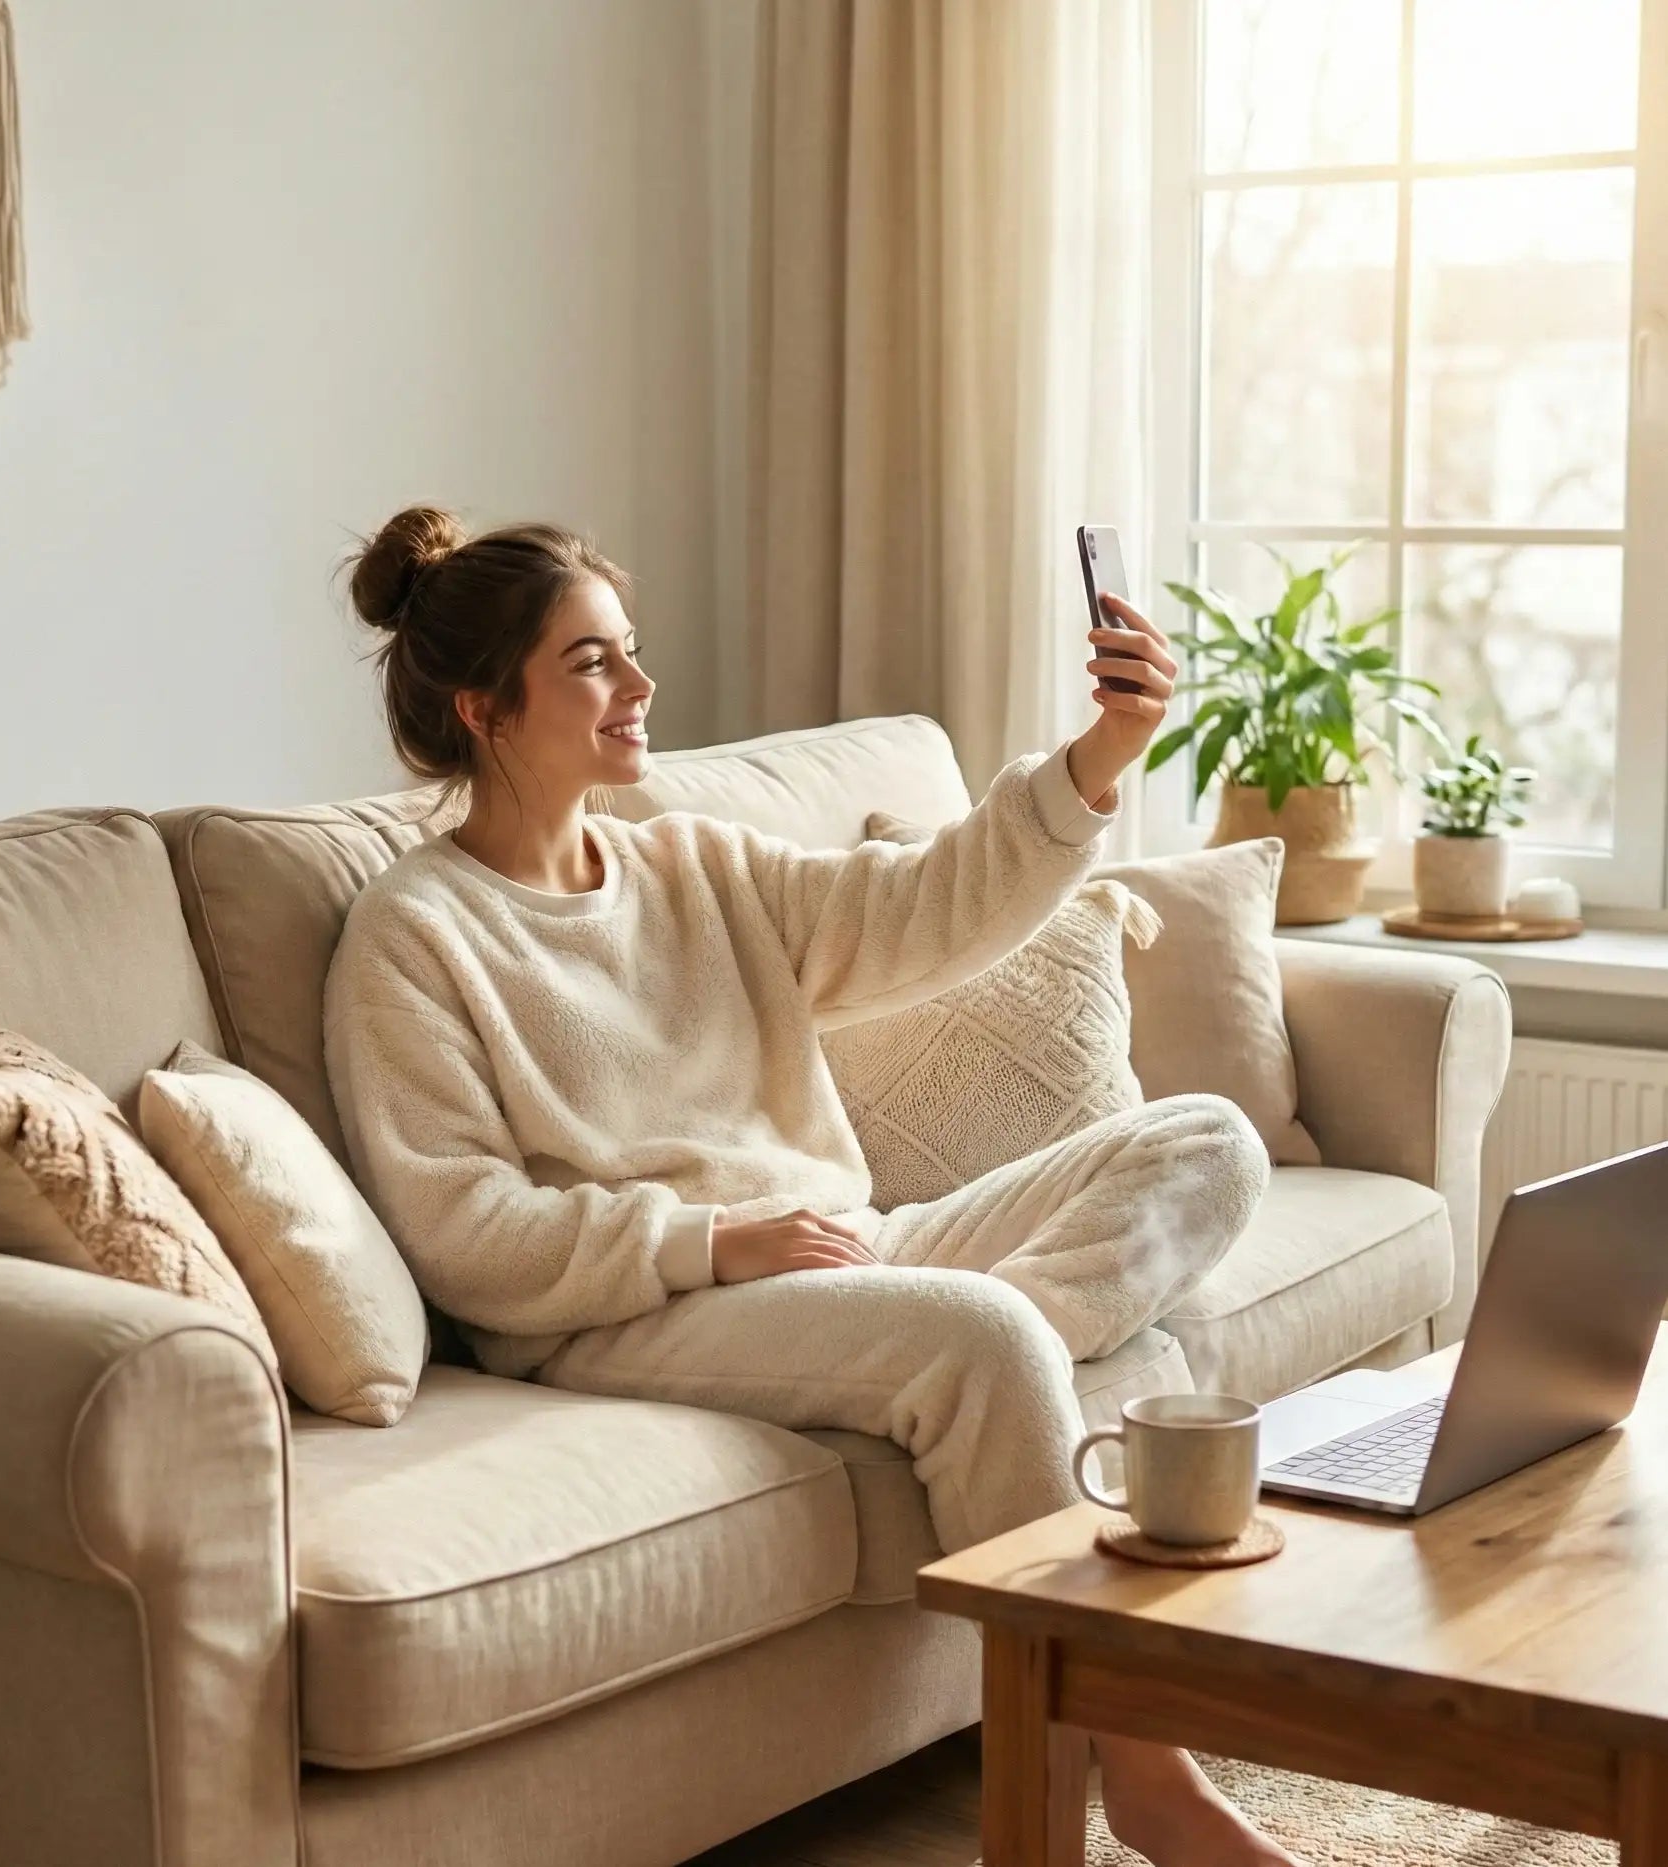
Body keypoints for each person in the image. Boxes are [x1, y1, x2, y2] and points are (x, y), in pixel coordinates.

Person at [322, 506, 1293, 1867]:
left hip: (840, 1249)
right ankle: (1145, 1777)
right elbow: (466, 1233)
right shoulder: (415, 937)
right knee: (988, 1334)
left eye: (631, 652)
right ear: (487, 705)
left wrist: (1097, 759)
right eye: (594, 662)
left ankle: (953, 1382)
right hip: (630, 1315)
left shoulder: (690, 861)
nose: (643, 689)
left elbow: (921, 907)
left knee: (1204, 1144)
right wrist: (714, 1242)